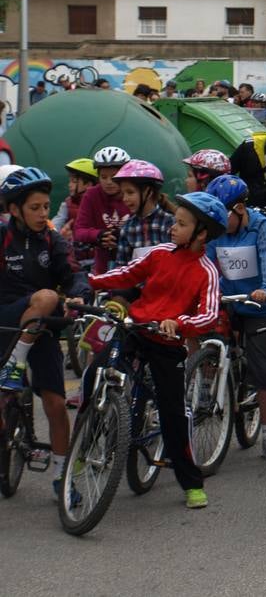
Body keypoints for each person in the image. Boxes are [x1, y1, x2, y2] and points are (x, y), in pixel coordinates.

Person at [86, 190, 226, 510]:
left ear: (201, 233)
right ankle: (87, 444)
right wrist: (94, 282)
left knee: (173, 416)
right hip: (136, 330)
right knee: (97, 373)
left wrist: (179, 323)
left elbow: (209, 315)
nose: (172, 228)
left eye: (181, 224)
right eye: (174, 222)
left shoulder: (207, 271)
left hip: (168, 346)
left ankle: (191, 483)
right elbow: (128, 273)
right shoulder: (160, 253)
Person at [0, 168, 92, 500]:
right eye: (35, 208)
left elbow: (72, 274)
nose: (43, 214)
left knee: (55, 403)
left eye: (45, 207)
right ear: (14, 210)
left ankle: (60, 476)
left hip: (42, 328)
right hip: (6, 319)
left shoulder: (54, 240)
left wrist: (79, 293)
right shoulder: (2, 236)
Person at [205, 175, 266, 462]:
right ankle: (205, 391)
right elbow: (206, 264)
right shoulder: (215, 231)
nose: (215, 219)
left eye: (222, 212)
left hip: (260, 307)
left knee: (263, 370)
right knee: (205, 347)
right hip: (227, 305)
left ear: (240, 209)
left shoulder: (262, 226)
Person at [74, 146, 133, 274]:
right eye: (103, 177)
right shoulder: (91, 195)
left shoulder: (134, 194)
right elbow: (79, 231)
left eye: (114, 176)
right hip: (103, 264)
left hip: (133, 261)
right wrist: (99, 235)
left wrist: (121, 236)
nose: (108, 182)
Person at [112, 160, 175, 266]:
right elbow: (121, 268)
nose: (125, 199)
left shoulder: (169, 223)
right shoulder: (127, 228)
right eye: (123, 193)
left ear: (148, 192)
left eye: (130, 192)